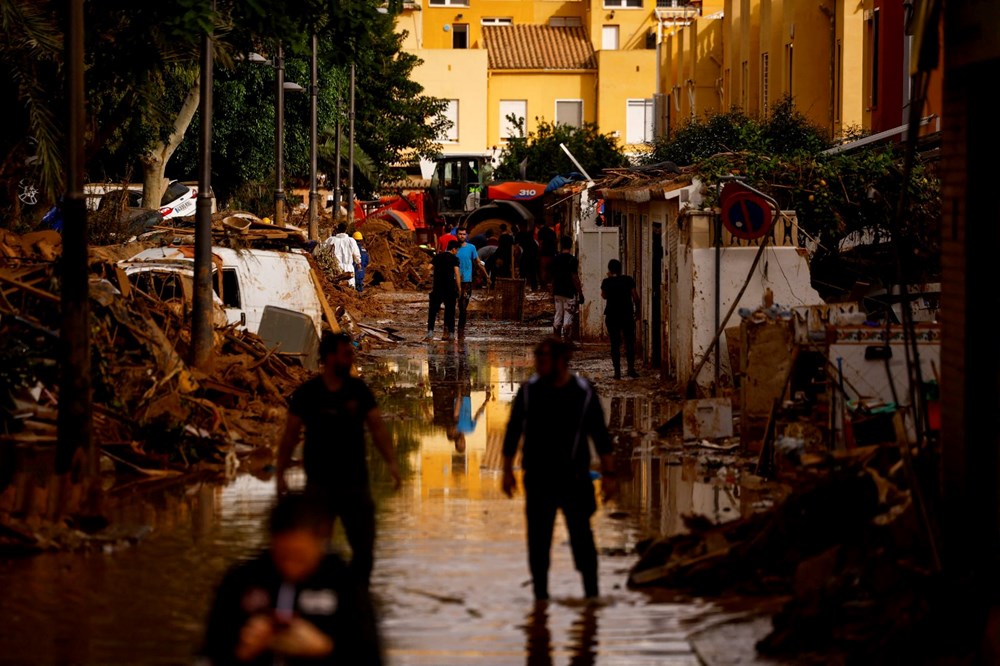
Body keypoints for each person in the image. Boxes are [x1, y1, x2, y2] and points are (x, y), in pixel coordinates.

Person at [277, 332, 401, 588]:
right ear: (331, 357)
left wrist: (391, 463)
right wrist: (280, 474)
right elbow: (290, 435)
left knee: (364, 550)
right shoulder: (308, 393)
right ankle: (321, 600)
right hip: (319, 485)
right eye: (347, 354)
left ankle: (358, 597)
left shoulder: (359, 390)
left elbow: (377, 428)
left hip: (355, 483)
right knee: (318, 548)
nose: (352, 358)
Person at [201, 493, 384, 665]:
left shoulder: (345, 582)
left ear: (321, 540)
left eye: (299, 556)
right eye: (282, 556)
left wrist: (324, 648)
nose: (290, 567)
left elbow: (372, 657)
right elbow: (211, 652)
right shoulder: (242, 578)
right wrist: (243, 650)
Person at [502, 338, 616, 602]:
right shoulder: (529, 392)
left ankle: (592, 599)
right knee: (538, 544)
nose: (538, 364)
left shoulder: (583, 392)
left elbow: (600, 436)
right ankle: (540, 602)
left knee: (582, 540)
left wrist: (609, 476)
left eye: (543, 359)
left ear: (561, 361)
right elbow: (512, 431)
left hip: (574, 480)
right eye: (537, 358)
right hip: (539, 480)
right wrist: (507, 471)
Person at [602, 259, 641, 380]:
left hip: (612, 315)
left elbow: (604, 296)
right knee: (629, 342)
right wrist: (638, 311)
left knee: (615, 344)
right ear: (620, 269)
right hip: (627, 315)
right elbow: (635, 297)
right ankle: (630, 369)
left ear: (609, 269)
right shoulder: (628, 280)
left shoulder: (606, 282)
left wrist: (609, 280)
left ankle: (617, 372)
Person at [425, 240, 461, 341]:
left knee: (432, 311)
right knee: (450, 312)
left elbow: (428, 268)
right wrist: (459, 288)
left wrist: (426, 279)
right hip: (449, 289)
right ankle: (451, 334)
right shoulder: (454, 259)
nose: (457, 252)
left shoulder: (437, 257)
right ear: (453, 249)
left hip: (437, 288)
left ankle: (430, 332)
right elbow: (457, 274)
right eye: (457, 250)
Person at [455, 228, 487, 339]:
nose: (462, 236)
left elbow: (478, 262)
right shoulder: (453, 247)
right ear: (456, 235)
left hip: (466, 281)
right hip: (453, 280)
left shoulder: (471, 248)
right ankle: (449, 330)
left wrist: (486, 276)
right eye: (460, 234)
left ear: (466, 235)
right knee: (451, 306)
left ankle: (460, 330)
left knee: (463, 306)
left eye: (464, 234)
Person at [549, 237, 583, 340]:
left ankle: (556, 340)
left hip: (558, 291)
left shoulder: (555, 259)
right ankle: (567, 341)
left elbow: (553, 278)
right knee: (568, 316)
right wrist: (580, 292)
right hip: (569, 291)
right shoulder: (572, 260)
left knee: (558, 315)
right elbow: (574, 277)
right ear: (571, 245)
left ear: (561, 245)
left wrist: (552, 291)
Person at [323, 223, 361, 289]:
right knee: (349, 288)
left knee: (335, 288)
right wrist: (358, 262)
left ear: (338, 229)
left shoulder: (331, 240)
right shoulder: (351, 240)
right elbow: (356, 253)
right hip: (348, 269)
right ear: (346, 230)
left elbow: (322, 250)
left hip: (334, 268)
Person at [516, 226, 540, 291]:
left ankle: (521, 287)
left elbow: (518, 249)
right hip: (533, 259)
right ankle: (534, 287)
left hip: (525, 257)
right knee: (533, 274)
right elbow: (537, 250)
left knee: (522, 273)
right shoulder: (534, 243)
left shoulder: (523, 241)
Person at [537, 221, 558, 288]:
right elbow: (555, 241)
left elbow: (540, 243)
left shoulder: (541, 232)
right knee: (550, 269)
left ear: (538, 224)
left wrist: (538, 252)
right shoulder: (552, 231)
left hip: (544, 253)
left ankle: (544, 285)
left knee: (543, 269)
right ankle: (551, 284)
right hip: (552, 253)